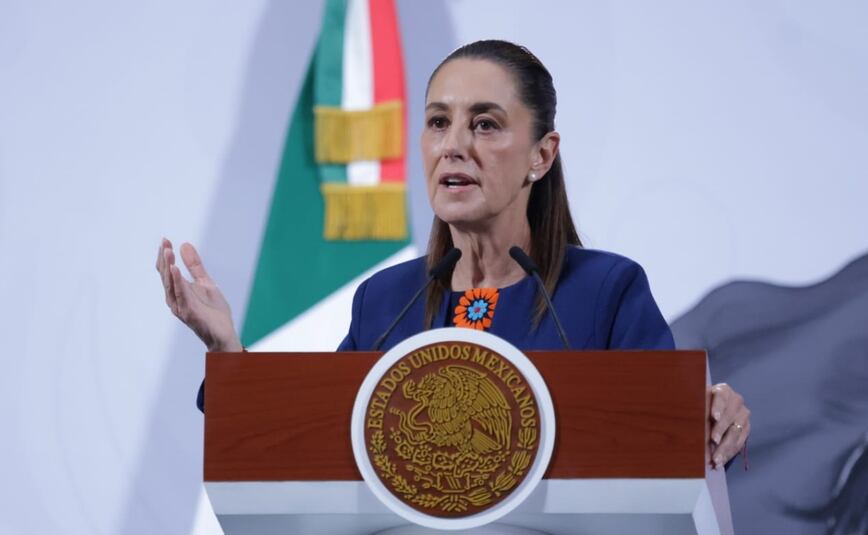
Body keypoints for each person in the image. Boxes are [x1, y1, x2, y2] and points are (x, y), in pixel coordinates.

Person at [155, 40, 750, 469]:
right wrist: (226, 351)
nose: (454, 147)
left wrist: (708, 410)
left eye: (485, 125)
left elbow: (664, 435)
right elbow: (309, 440)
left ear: (542, 156)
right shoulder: (385, 301)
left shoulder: (606, 290)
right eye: (439, 122)